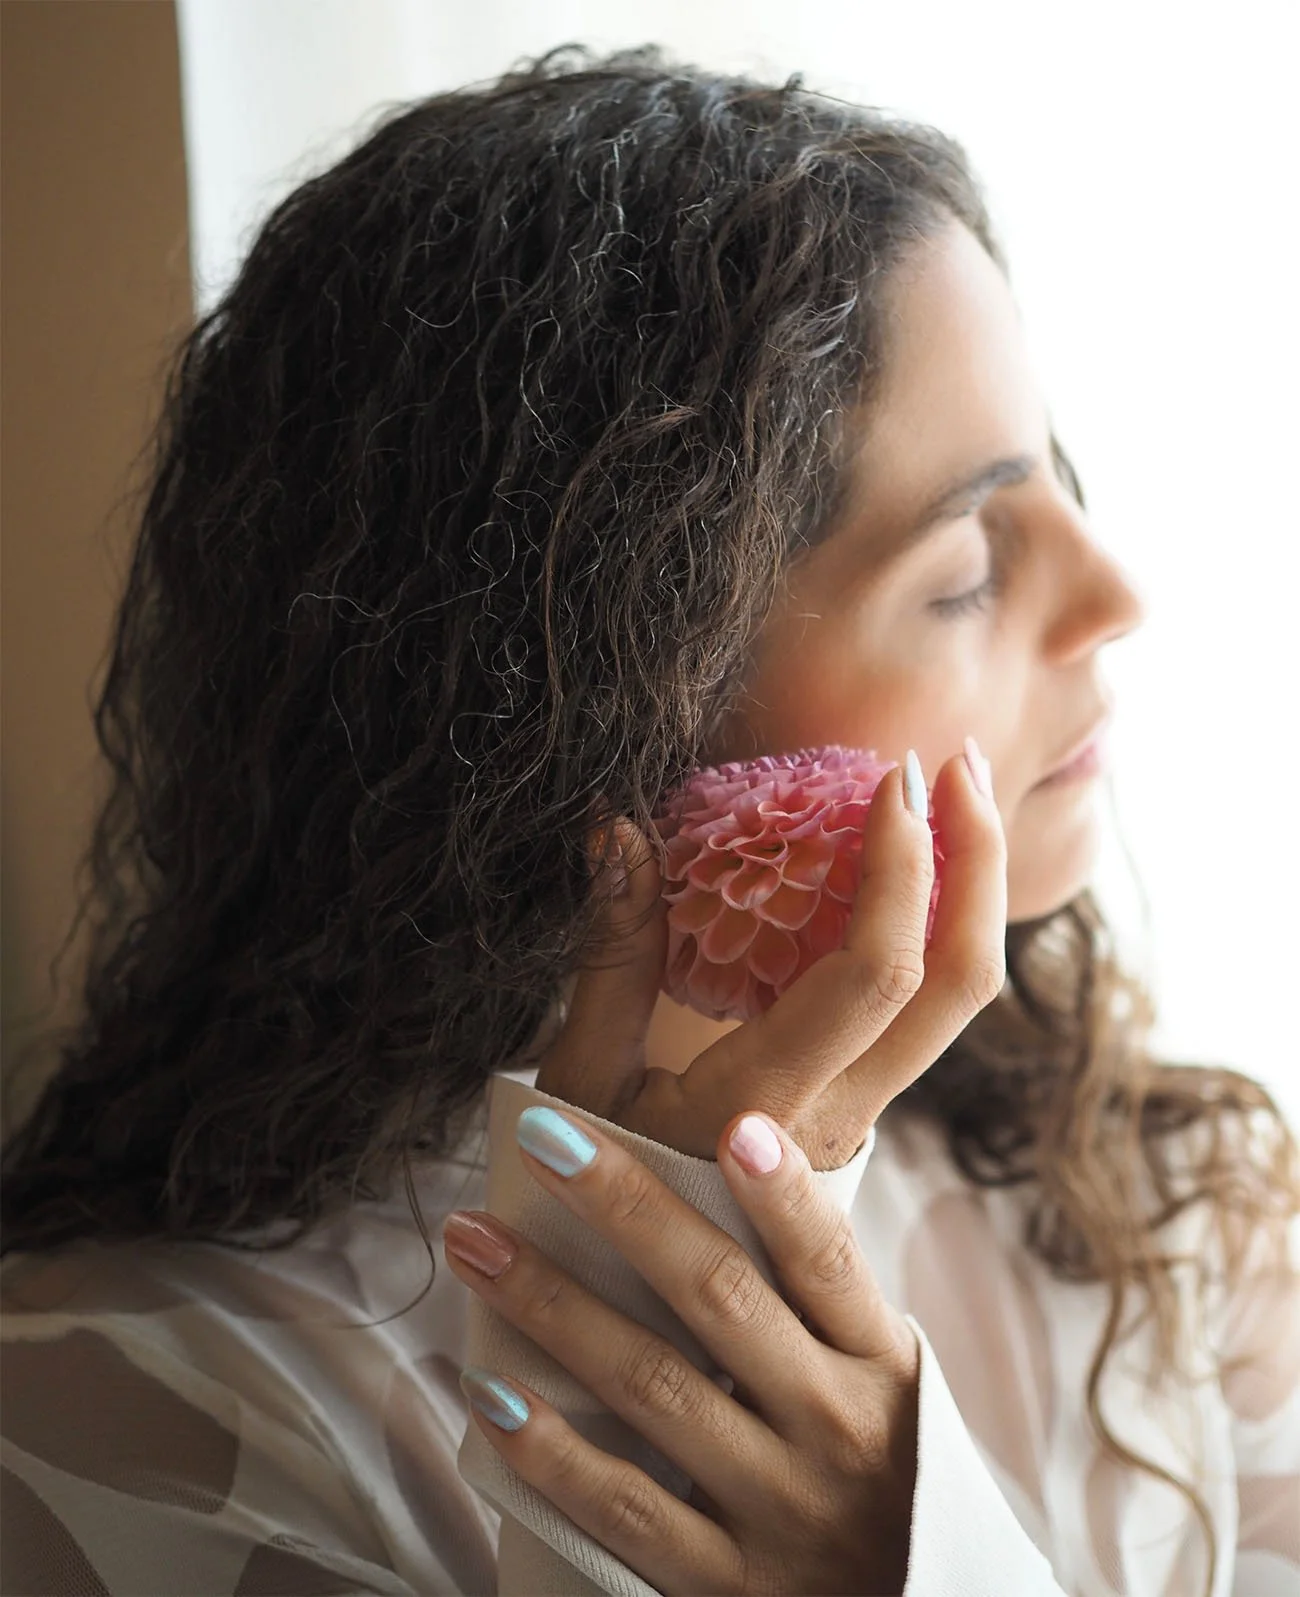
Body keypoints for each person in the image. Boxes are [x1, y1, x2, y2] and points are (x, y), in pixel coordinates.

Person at [1, 40, 1296, 1597]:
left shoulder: (1157, 1210)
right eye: (962, 570)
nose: (1115, 597)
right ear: (589, 727)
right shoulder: (110, 1421)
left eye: (1058, 485)